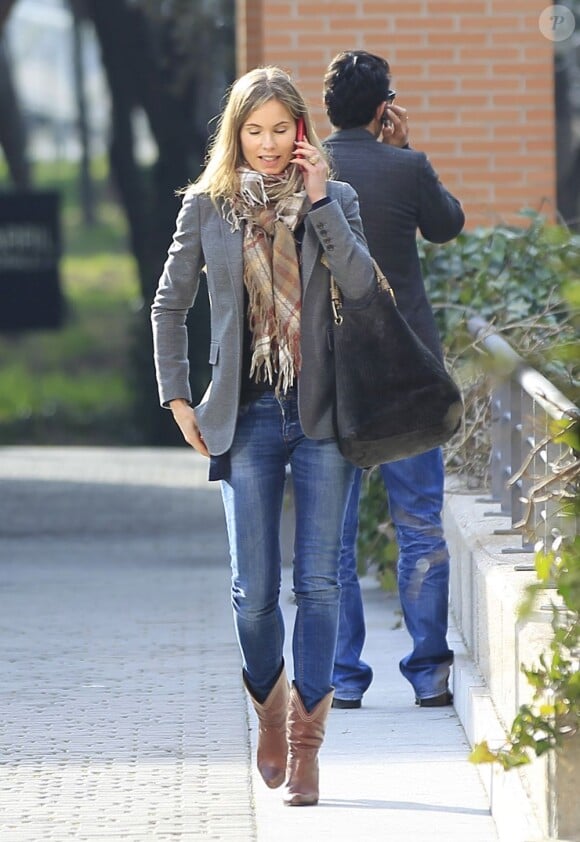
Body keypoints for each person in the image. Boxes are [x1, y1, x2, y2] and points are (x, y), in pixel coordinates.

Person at [151, 66, 376, 806]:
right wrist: (179, 398)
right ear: (236, 133)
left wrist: (319, 202)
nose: (270, 144)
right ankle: (269, 709)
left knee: (319, 584)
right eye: (256, 130)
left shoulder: (333, 200)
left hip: (321, 419)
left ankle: (308, 746)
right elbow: (168, 305)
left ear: (303, 131)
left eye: (283, 129)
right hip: (243, 417)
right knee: (253, 594)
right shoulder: (207, 208)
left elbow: (364, 285)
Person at [322, 50, 465, 710]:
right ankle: (429, 674)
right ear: (385, 108)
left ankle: (343, 677)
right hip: (408, 372)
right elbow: (447, 226)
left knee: (334, 537)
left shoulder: (308, 170)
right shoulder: (406, 166)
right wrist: (407, 149)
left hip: (333, 378)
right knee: (420, 528)